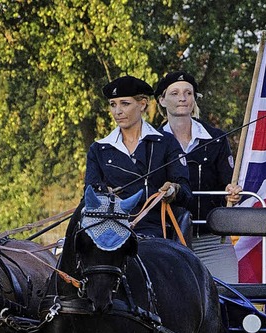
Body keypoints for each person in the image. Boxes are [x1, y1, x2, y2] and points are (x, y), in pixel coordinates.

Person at [154, 70, 242, 282]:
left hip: (211, 239)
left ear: (194, 99)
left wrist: (232, 193)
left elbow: (228, 183)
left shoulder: (217, 139)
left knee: (231, 301)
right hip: (166, 240)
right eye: (174, 93)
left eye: (188, 93)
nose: (182, 98)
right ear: (162, 100)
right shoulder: (151, 141)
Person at [85, 75, 192, 238]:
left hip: (154, 228)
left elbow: (185, 191)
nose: (117, 111)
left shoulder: (166, 143)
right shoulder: (98, 149)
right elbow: (89, 193)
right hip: (109, 228)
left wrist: (173, 191)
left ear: (142, 104)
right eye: (113, 105)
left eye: (125, 104)